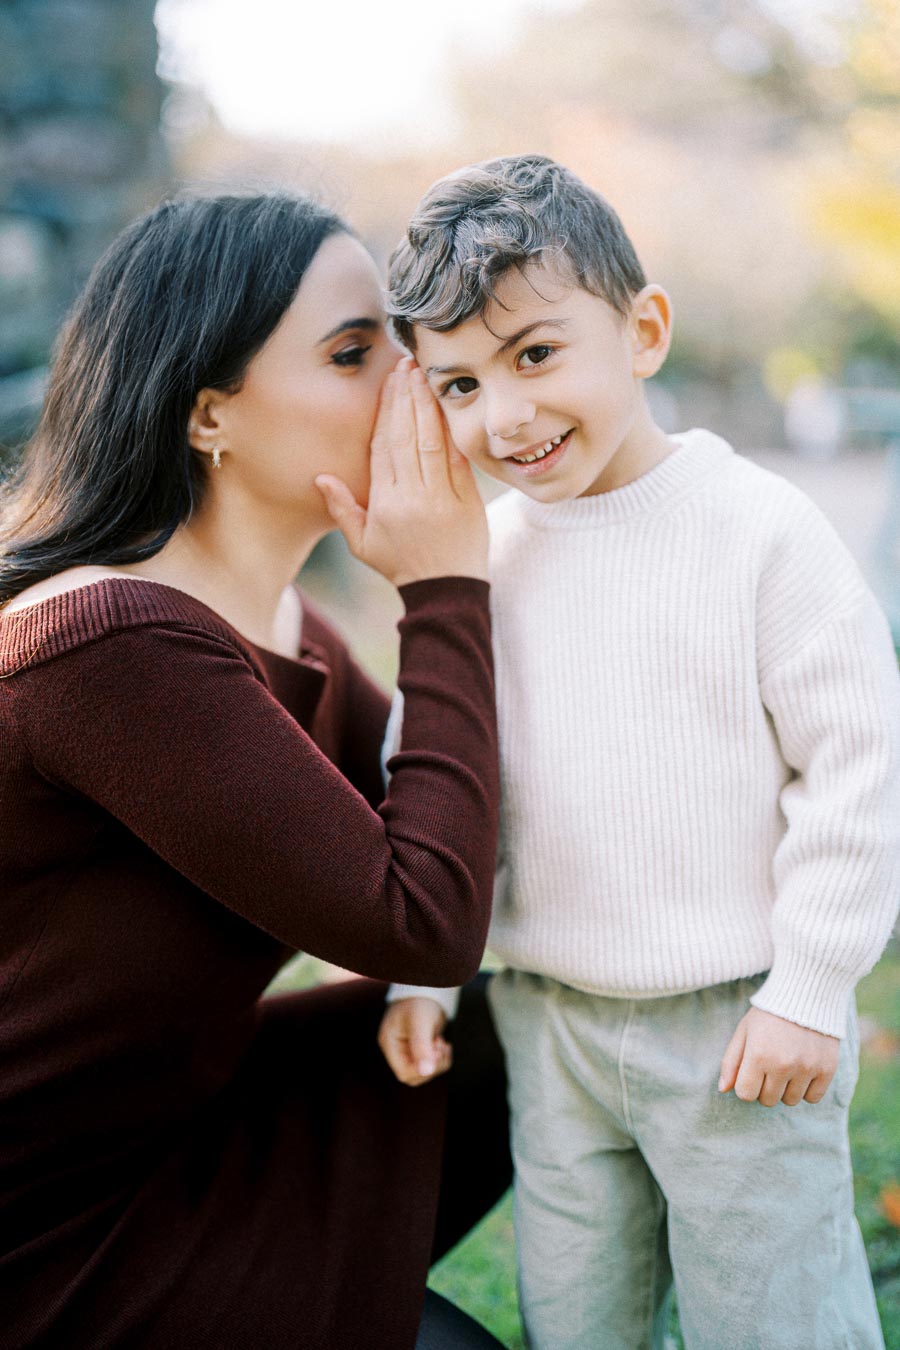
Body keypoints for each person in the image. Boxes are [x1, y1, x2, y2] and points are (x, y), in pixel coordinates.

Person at [379, 155, 900, 1349]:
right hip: (547, 1023)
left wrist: (812, 987)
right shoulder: (481, 562)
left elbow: (856, 771)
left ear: (643, 330)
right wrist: (423, 970)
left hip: (735, 1024)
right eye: (458, 384)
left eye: (536, 355)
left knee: (772, 1316)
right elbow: (441, 766)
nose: (504, 416)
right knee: (578, 1314)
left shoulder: (760, 531)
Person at [0, 192, 513, 1349]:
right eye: (352, 352)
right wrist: (442, 591)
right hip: (42, 1238)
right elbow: (418, 918)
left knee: (518, 1020)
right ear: (209, 413)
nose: (414, 374)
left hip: (181, 1136)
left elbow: (471, 828)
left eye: (399, 338)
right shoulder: (113, 642)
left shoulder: (279, 622)